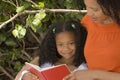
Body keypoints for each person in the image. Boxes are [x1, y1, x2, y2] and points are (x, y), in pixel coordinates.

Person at [63, 0, 120, 80]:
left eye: (95, 9)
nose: (89, 13)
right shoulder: (88, 21)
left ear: (113, 6)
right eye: (87, 7)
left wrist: (94, 74)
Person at [14, 19, 88, 80]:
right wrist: (25, 76)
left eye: (71, 43)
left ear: (79, 42)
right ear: (54, 45)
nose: (66, 48)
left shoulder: (84, 68)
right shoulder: (43, 61)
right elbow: (19, 77)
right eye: (60, 45)